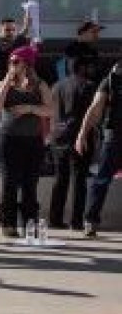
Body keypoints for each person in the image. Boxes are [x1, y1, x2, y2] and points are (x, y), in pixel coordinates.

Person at [0, 45, 53, 238]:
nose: (12, 64)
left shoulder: (40, 84)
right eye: (10, 61)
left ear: (26, 63)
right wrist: (6, 83)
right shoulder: (4, 83)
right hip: (8, 139)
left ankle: (29, 223)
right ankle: (8, 223)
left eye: (16, 61)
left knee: (30, 183)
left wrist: (29, 108)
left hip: (33, 140)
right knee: (9, 181)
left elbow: (50, 110)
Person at [48, 57, 97, 230]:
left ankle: (55, 219)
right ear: (82, 68)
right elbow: (92, 112)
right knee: (79, 180)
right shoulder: (88, 86)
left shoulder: (56, 86)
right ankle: (76, 221)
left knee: (60, 179)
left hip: (58, 136)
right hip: (79, 137)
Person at [75, 62, 122, 238]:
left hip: (113, 135)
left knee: (101, 179)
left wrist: (82, 134)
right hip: (113, 135)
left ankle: (90, 221)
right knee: (101, 179)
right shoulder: (112, 78)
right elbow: (95, 108)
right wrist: (82, 134)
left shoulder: (112, 78)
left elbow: (95, 108)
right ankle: (90, 221)